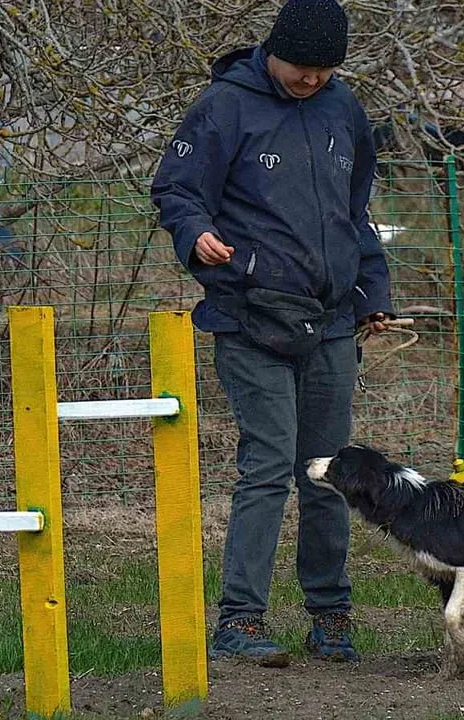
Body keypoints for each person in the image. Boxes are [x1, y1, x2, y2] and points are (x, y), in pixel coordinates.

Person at [150, 0, 396, 667]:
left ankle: (330, 612)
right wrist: (194, 234)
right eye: (301, 66)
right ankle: (241, 618)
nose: (311, 79)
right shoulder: (224, 107)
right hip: (251, 314)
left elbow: (356, 212)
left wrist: (372, 291)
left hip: (333, 321)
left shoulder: (343, 111)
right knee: (267, 467)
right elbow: (176, 190)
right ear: (273, 49)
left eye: (324, 69)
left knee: (330, 472)